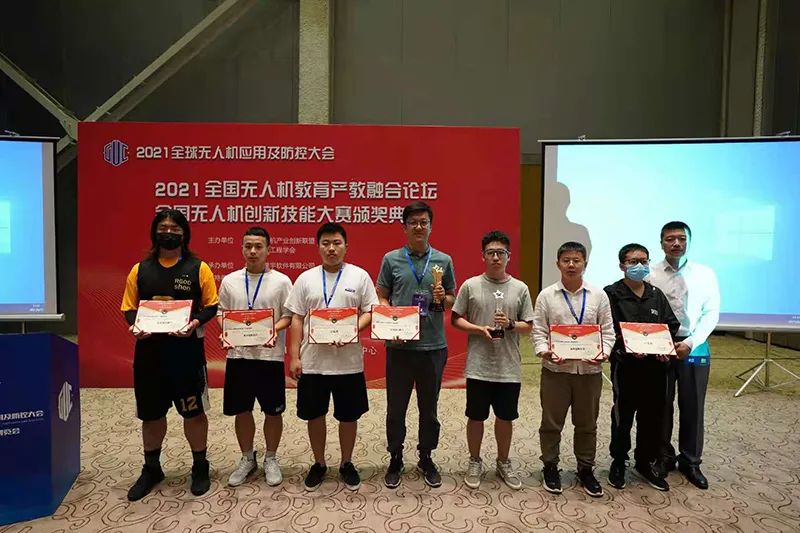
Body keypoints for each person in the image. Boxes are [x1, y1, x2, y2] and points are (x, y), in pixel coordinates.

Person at [121, 209, 219, 501]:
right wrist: (135, 326)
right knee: (151, 416)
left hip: (186, 356)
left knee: (194, 413)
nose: (169, 232)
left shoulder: (198, 268)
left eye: (175, 228)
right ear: (155, 233)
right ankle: (152, 468)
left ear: (184, 234)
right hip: (149, 356)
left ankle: (200, 466)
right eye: (163, 227)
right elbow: (129, 308)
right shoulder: (140, 270)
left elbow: (211, 306)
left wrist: (195, 323)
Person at [285, 222, 378, 492]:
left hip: (348, 363)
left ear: (346, 246)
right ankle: (319, 463)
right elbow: (296, 318)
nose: (331, 248)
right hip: (313, 363)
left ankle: (347, 463)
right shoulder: (306, 279)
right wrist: (294, 357)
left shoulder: (359, 276)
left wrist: (352, 329)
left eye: (337, 243)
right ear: (318, 247)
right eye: (325, 243)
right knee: (315, 415)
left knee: (349, 416)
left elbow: (371, 311)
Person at [376, 201, 456, 489]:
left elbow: (451, 300)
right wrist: (391, 318)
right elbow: (382, 295)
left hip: (433, 346)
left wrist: (442, 297)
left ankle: (426, 456)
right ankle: (395, 457)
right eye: (413, 222)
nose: (419, 227)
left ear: (431, 226)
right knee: (396, 407)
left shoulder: (443, 260)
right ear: (405, 227)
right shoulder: (391, 259)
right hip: (399, 347)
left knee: (429, 408)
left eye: (424, 222)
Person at [451, 230, 534, 490]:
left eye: (501, 253)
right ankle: (474, 460)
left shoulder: (520, 288)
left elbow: (529, 325)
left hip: (508, 367)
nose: (496, 257)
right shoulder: (470, 285)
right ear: (483, 256)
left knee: (505, 418)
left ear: (509, 256)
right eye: (491, 253)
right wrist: (478, 329)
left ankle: (503, 461)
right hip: (479, 366)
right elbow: (456, 319)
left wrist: (510, 324)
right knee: (476, 417)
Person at [532, 241, 614, 497]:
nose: (571, 265)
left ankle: (585, 468)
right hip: (555, 371)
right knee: (551, 423)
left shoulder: (598, 295)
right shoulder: (547, 295)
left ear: (585, 264)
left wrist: (603, 353)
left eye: (576, 260)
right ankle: (550, 466)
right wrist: (544, 351)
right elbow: (539, 331)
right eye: (566, 260)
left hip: (589, 373)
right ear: (557, 264)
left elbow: (608, 332)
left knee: (587, 423)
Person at [217, 227, 292, 487]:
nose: (253, 251)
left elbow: (288, 316)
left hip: (269, 357)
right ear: (241, 249)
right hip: (239, 356)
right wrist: (226, 332)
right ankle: (247, 458)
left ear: (268, 250)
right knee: (242, 410)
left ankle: (271, 457)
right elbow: (221, 312)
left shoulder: (281, 281)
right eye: (248, 246)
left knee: (273, 411)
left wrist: (272, 330)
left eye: (258, 246)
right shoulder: (230, 281)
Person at [647, 221, 720, 490]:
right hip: (660, 347)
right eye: (670, 239)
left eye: (681, 238)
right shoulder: (650, 274)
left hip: (695, 345)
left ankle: (691, 461)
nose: (676, 243)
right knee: (660, 405)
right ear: (661, 243)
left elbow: (710, 313)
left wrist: (691, 342)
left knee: (693, 406)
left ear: (688, 241)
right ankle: (663, 456)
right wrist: (659, 343)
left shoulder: (705, 274)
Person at [604, 243, 680, 491]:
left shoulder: (656, 294)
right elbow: (607, 328)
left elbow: (670, 325)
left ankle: (644, 462)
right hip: (626, 367)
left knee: (652, 417)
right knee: (622, 416)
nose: (639, 265)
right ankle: (619, 460)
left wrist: (664, 347)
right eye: (633, 261)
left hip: (655, 368)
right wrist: (625, 345)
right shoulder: (611, 294)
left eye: (644, 261)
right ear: (622, 266)